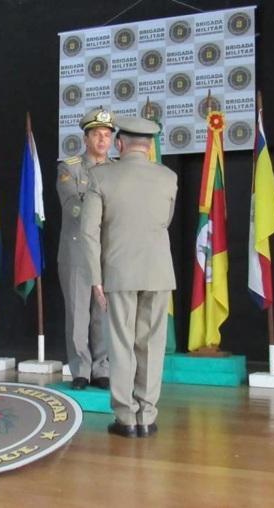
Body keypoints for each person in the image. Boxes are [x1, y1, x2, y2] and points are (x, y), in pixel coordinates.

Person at [81, 116, 177, 437]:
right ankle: (147, 416)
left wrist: (95, 277)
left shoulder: (100, 177)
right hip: (158, 271)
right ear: (149, 147)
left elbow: (88, 232)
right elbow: (165, 220)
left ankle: (126, 418)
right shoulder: (168, 177)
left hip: (118, 272)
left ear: (120, 143)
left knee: (121, 344)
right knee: (151, 344)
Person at [57, 106, 114, 390]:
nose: (103, 140)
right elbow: (73, 207)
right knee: (79, 311)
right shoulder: (70, 168)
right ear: (86, 139)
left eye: (107, 135)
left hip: (107, 249)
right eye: (97, 135)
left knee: (102, 311)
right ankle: (81, 368)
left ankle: (101, 368)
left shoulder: (117, 171)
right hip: (77, 249)